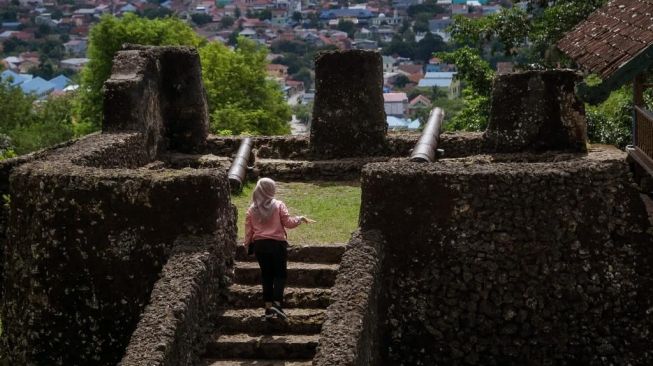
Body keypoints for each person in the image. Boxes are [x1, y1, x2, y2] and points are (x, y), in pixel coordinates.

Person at [244, 177, 315, 320]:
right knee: (280, 274)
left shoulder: (251, 209)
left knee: (266, 276)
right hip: (277, 245)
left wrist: (247, 245)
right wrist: (300, 218)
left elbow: (248, 231)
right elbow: (288, 223)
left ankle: (268, 309)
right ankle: (277, 303)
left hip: (260, 246)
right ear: (271, 189)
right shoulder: (278, 205)